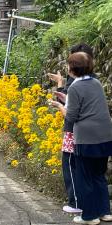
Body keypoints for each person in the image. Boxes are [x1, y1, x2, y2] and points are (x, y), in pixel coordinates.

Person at [50, 52, 112, 225]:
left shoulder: (75, 87)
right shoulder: (96, 83)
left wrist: (61, 106)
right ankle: (105, 212)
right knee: (99, 175)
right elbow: (89, 105)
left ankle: (89, 216)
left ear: (72, 69)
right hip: (105, 135)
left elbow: (72, 117)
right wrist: (67, 100)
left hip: (86, 138)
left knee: (84, 177)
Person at [48, 43, 94, 214]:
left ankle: (75, 203)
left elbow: (71, 112)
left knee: (70, 164)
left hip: (74, 130)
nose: (69, 65)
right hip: (92, 133)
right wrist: (60, 84)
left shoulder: (77, 82)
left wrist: (59, 105)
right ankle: (94, 207)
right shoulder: (93, 81)